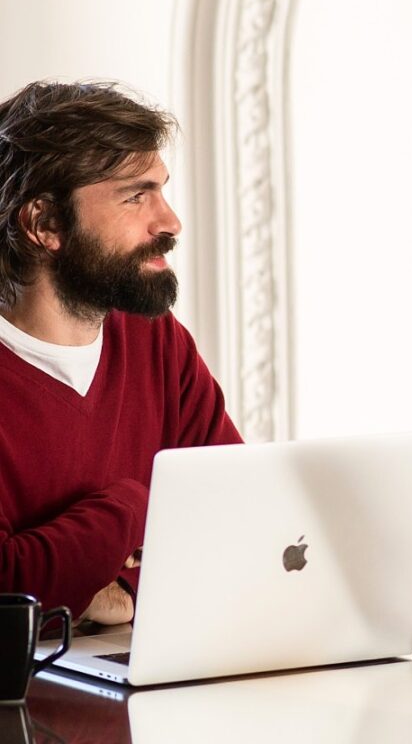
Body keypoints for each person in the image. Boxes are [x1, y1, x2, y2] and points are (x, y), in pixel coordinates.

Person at [0, 81, 242, 625]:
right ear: (45, 224)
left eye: (161, 190)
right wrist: (131, 505)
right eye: (136, 196)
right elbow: (6, 591)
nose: (170, 222)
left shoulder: (157, 342)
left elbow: (234, 516)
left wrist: (113, 586)